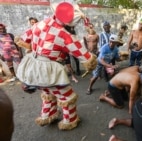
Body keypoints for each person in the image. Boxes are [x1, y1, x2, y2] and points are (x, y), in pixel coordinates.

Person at [15, 2, 97, 130]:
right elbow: (84, 55)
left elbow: (24, 39)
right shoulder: (64, 35)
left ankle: (47, 116)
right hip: (48, 70)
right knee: (67, 95)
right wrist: (91, 60)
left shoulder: (39, 24)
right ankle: (69, 121)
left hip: (33, 66)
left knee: (48, 91)